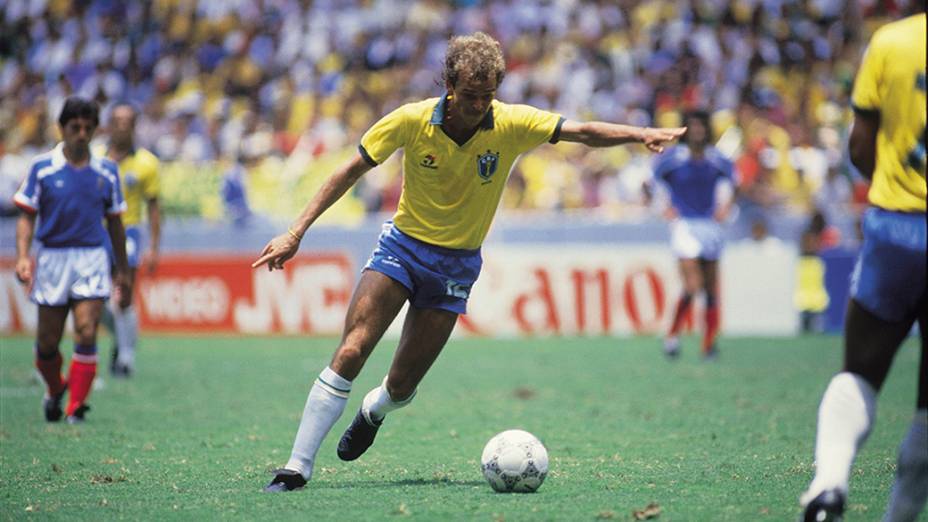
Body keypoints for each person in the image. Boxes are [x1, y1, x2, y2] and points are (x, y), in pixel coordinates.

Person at [252, 32, 686, 492]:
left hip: (456, 267)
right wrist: (295, 231)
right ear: (449, 86)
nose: (479, 104)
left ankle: (373, 411)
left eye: (488, 95)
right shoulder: (411, 120)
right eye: (470, 96)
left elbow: (580, 131)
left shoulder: (512, 123)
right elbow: (349, 169)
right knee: (352, 350)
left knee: (401, 386)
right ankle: (297, 467)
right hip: (401, 248)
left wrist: (639, 135)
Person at [800, 10, 926, 522]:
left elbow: (859, 144)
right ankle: (898, 515)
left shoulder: (892, 41)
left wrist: (891, 185)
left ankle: (829, 485)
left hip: (897, 228)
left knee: (861, 371)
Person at [13, 96, 130, 424]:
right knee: (47, 343)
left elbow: (116, 223)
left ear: (94, 131)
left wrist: (123, 271)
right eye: (75, 127)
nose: (81, 134)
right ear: (62, 128)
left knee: (87, 331)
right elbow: (26, 216)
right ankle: (55, 389)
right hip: (51, 257)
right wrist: (23, 257)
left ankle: (76, 406)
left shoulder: (106, 171)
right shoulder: (42, 167)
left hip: (91, 257)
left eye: (88, 128)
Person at [652, 110, 735, 360]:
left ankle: (708, 344)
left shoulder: (717, 159)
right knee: (692, 285)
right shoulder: (673, 159)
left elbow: (733, 183)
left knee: (710, 289)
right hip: (685, 226)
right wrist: (663, 207)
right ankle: (672, 335)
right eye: (693, 126)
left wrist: (727, 207)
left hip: (709, 225)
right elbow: (654, 182)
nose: (697, 131)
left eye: (701, 126)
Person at [101, 101, 161, 377]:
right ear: (109, 125)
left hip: (130, 231)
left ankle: (125, 358)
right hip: (98, 232)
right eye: (118, 121)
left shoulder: (147, 163)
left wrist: (154, 247)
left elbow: (154, 207)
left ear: (135, 126)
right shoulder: (96, 160)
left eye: (128, 121)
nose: (123, 126)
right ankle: (122, 339)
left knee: (125, 294)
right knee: (97, 299)